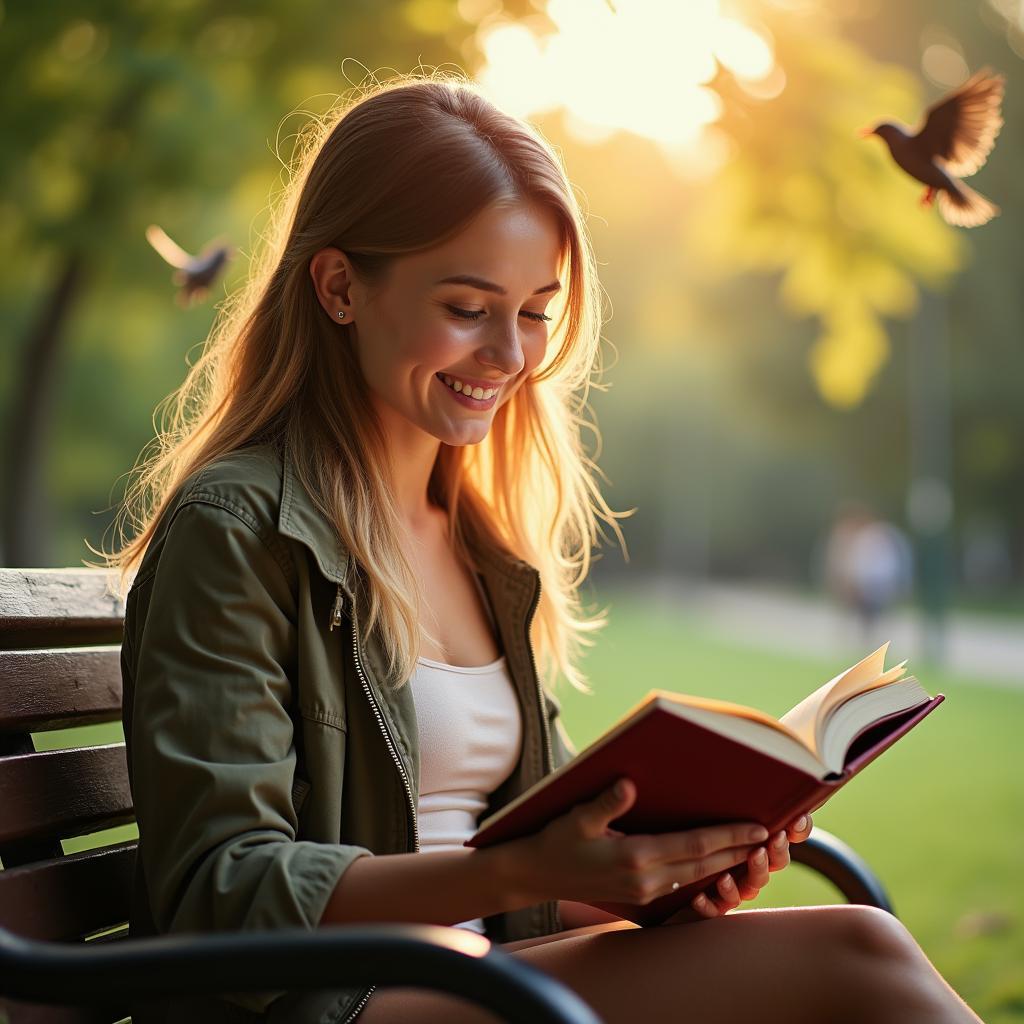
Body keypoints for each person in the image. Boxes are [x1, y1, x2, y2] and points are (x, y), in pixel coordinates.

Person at [101, 73, 984, 1023]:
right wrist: (517, 869)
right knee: (855, 954)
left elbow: (520, 879)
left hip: (474, 979)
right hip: (325, 1005)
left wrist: (647, 874)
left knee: (844, 954)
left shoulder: (484, 549)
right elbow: (223, 893)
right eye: (469, 307)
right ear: (341, 286)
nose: (513, 358)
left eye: (534, 312)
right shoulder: (238, 530)